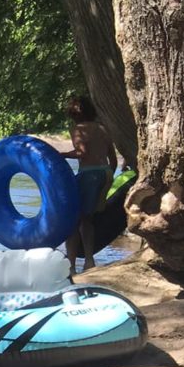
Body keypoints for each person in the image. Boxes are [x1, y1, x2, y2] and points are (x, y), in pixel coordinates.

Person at [60, 95, 119, 273]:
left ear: (73, 114)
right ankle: (89, 261)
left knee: (72, 219)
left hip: (89, 174)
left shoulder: (79, 129)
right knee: (87, 220)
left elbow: (82, 153)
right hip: (105, 173)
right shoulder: (102, 128)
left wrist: (61, 155)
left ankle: (70, 266)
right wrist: (108, 177)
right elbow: (113, 159)